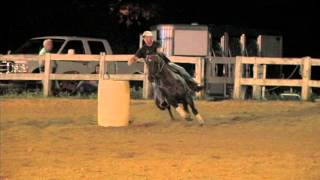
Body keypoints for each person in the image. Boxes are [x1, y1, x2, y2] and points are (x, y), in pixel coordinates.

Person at [128, 31, 204, 92]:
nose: (148, 39)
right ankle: (161, 98)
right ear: (144, 39)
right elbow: (135, 57)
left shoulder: (156, 44)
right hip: (153, 69)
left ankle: (194, 86)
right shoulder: (142, 50)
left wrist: (157, 53)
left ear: (151, 38)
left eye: (150, 37)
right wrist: (131, 60)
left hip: (165, 63)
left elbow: (159, 51)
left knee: (181, 70)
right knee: (155, 83)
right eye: (146, 37)